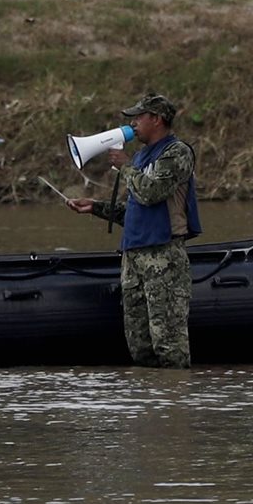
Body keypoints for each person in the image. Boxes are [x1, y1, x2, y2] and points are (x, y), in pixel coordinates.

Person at [67, 93, 201, 369]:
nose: (134, 124)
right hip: (134, 258)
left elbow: (153, 193)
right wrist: (95, 207)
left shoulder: (176, 153)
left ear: (157, 120)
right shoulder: (140, 157)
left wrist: (125, 167)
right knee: (140, 345)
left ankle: (176, 403)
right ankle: (148, 405)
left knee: (169, 343)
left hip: (164, 256)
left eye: (139, 117)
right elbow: (136, 211)